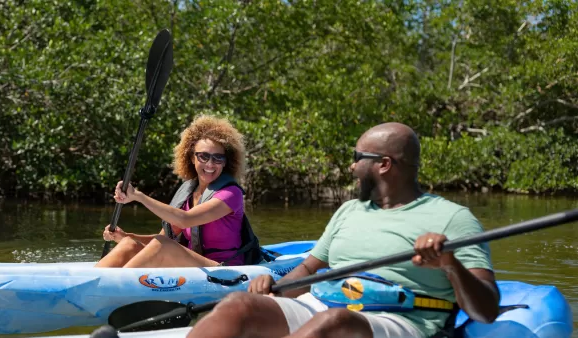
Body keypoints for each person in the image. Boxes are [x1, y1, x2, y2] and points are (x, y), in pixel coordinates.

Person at [185, 122, 501, 338]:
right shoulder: (349, 211)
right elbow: (308, 270)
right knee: (239, 306)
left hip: (401, 320)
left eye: (357, 158)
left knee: (337, 323)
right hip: (326, 304)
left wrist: (450, 264)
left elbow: (487, 310)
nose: (352, 167)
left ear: (384, 165)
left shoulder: (453, 218)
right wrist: (274, 287)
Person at [95, 114, 271, 268]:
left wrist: (138, 196)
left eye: (218, 158)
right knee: (129, 244)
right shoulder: (188, 194)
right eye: (203, 156)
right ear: (192, 157)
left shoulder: (231, 194)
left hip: (222, 268)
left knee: (163, 245)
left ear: (226, 162)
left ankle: (116, 284)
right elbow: (164, 237)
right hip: (193, 266)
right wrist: (126, 236)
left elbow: (185, 220)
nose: (210, 164)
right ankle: (94, 281)